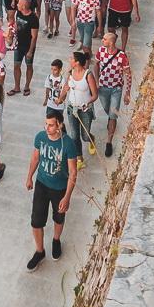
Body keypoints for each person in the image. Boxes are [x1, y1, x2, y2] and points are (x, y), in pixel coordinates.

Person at [25, 109, 78, 272]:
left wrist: (67, 197)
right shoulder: (40, 137)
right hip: (42, 183)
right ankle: (39, 251)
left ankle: (56, 240)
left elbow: (73, 172)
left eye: (50, 125)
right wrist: (29, 177)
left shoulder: (68, 144)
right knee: (36, 221)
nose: (46, 128)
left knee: (58, 217)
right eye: (46, 124)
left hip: (60, 188)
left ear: (59, 125)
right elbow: (35, 158)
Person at [94, 32, 132, 158]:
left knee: (113, 114)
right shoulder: (101, 51)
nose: (102, 40)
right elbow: (96, 64)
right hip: (103, 87)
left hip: (116, 88)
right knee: (107, 109)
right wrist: (97, 80)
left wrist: (127, 92)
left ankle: (109, 142)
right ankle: (110, 120)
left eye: (104, 39)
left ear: (111, 42)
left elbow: (128, 74)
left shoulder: (121, 56)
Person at [59, 49, 99, 166]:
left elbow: (95, 94)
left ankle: (91, 140)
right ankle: (80, 158)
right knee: (74, 136)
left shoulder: (88, 75)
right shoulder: (70, 72)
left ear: (77, 62)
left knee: (85, 136)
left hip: (85, 110)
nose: (69, 60)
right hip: (72, 108)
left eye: (71, 58)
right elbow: (66, 87)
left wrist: (87, 102)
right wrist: (60, 98)